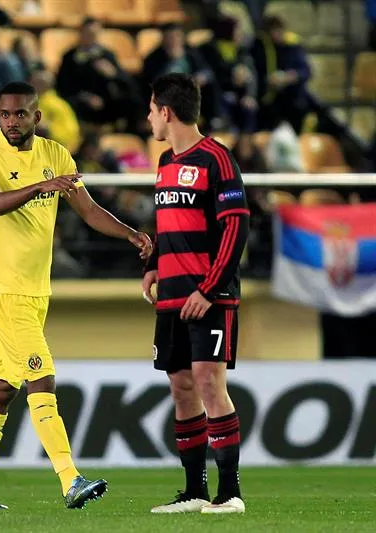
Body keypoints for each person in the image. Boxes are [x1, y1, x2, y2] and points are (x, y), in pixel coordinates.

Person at [0, 81, 152, 510]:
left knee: (1, 389)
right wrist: (39, 188)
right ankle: (70, 479)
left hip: (36, 291)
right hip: (5, 289)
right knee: (41, 376)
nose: (12, 122)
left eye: (20, 114)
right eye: (5, 114)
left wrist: (130, 234)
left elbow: (88, 209)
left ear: (36, 116)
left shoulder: (56, 155)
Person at [142, 73, 250, 514]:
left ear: (166, 112)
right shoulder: (165, 162)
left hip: (209, 296)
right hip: (172, 296)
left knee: (208, 382)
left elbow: (236, 226)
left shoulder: (217, 158)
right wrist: (153, 264)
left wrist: (209, 289)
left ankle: (230, 493)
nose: (149, 118)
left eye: (152, 110)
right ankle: (193, 492)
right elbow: (167, 223)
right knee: (182, 388)